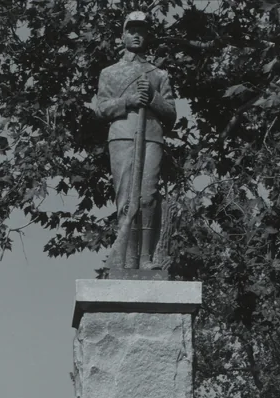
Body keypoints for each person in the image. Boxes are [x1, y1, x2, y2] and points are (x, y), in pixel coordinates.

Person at [93, 10, 176, 269]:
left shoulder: (159, 75)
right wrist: (127, 101)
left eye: (141, 30)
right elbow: (101, 108)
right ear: (123, 35)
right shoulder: (110, 73)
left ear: (147, 35)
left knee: (147, 197)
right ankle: (127, 259)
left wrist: (153, 98)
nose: (136, 35)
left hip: (151, 136)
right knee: (126, 199)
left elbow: (171, 114)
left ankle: (145, 259)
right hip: (122, 136)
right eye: (132, 30)